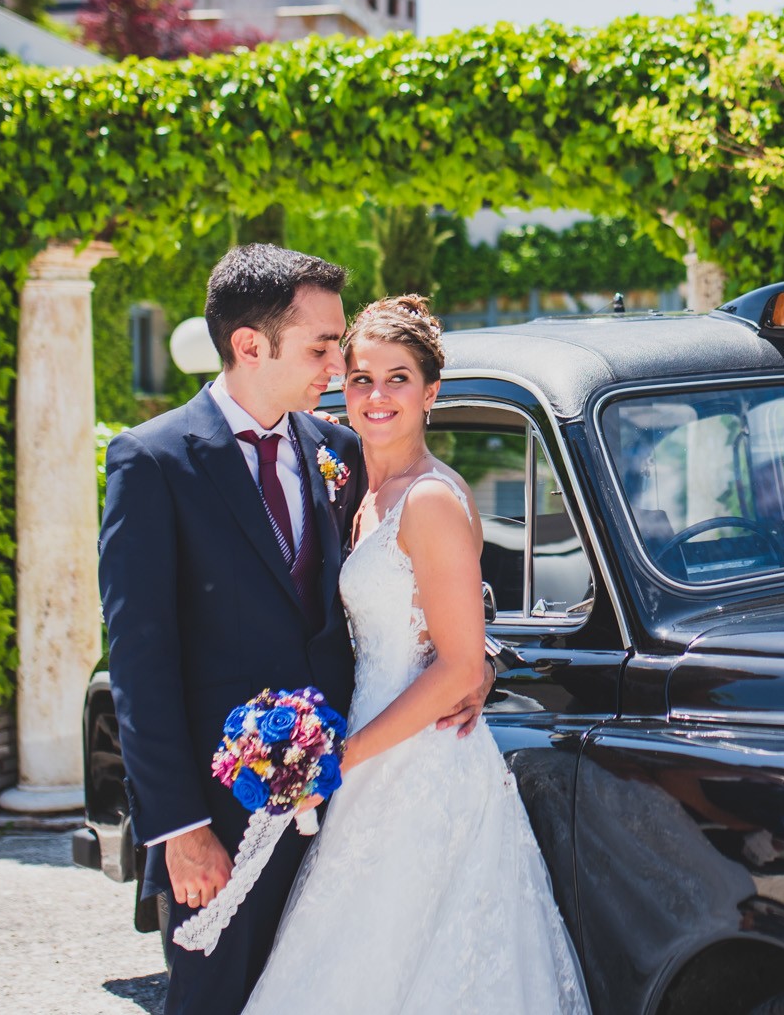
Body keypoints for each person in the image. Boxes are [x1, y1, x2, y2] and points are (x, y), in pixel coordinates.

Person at [99, 247, 494, 1015]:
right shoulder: (152, 461)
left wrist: (473, 664)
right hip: (221, 820)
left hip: (349, 812)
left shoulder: (336, 450)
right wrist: (180, 829)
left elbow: (417, 577)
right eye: (322, 347)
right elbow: (139, 663)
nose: (336, 365)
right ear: (251, 345)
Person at [242, 295, 591, 1012]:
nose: (376, 394)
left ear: (431, 391)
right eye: (362, 376)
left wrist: (339, 757)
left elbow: (460, 665)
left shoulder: (429, 498)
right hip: (373, 760)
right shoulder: (358, 487)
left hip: (423, 764)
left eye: (397, 378)